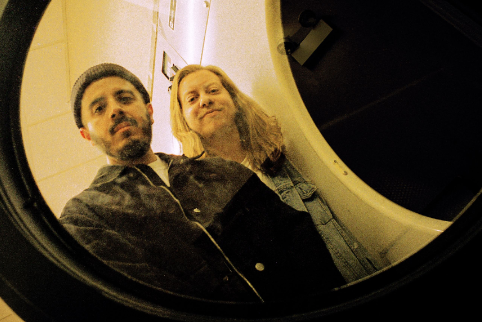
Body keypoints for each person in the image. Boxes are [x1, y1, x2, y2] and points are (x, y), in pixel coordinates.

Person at [59, 63, 344, 303]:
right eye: (99, 108)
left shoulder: (221, 170)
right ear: (86, 135)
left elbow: (297, 236)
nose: (115, 110)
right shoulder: (85, 217)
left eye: (124, 98)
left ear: (149, 111)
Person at [170, 64, 383, 283]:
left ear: (233, 98)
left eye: (213, 90)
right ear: (183, 118)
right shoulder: (203, 198)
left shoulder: (280, 152)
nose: (205, 100)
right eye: (192, 99)